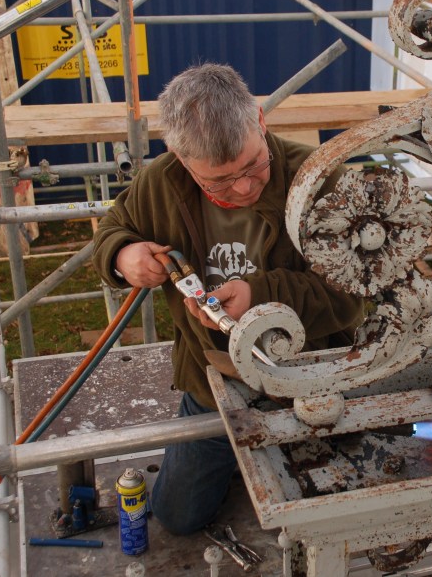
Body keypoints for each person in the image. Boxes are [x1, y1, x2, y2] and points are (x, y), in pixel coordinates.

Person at [92, 63, 363, 535]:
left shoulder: (321, 180)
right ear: (178, 155)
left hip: (314, 379)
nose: (241, 188)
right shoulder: (161, 182)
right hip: (215, 380)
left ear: (260, 119)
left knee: (328, 519)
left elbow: (354, 295)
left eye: (253, 166)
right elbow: (112, 229)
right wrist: (123, 256)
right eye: (216, 182)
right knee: (177, 518)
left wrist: (262, 295)